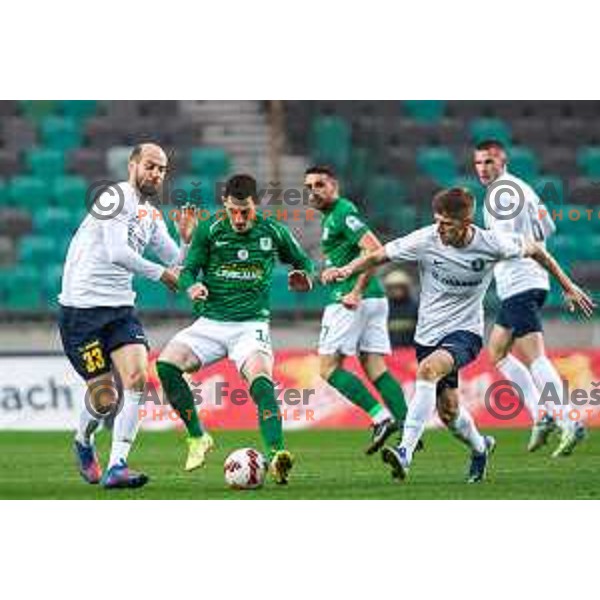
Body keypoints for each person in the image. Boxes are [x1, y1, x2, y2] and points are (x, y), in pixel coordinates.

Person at [324, 187, 594, 483]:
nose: (439, 229)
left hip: (465, 332)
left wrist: (568, 286)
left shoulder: (492, 243)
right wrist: (345, 269)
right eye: (437, 221)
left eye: (447, 224)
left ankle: (404, 453)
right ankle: (481, 448)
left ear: (466, 223)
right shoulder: (426, 238)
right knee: (449, 413)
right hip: (427, 335)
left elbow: (537, 250)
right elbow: (378, 256)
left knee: (427, 372)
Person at [156, 174, 313, 484]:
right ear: (225, 204)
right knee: (166, 366)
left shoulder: (274, 231)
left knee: (261, 382)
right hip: (211, 323)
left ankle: (277, 454)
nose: (239, 219)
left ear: (256, 204)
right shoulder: (210, 230)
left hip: (250, 326)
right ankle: (198, 437)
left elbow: (304, 261)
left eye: (246, 211)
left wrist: (304, 276)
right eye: (233, 211)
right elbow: (187, 272)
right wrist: (192, 286)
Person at [58, 143, 190, 489]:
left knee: (136, 380)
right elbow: (118, 253)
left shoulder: (151, 216)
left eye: (162, 169)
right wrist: (162, 275)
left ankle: (118, 465)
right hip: (81, 311)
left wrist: (188, 242)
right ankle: (83, 440)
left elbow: (178, 261)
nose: (156, 173)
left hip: (119, 309)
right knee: (104, 399)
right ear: (133, 165)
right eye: (150, 165)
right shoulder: (114, 198)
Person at [475, 139, 586, 456]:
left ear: (503, 161)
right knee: (496, 352)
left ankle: (569, 419)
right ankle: (542, 414)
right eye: (479, 163)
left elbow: (503, 244)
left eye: (489, 162)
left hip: (520, 280)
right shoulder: (524, 189)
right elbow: (546, 229)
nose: (483, 169)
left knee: (536, 357)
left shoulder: (500, 196)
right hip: (527, 281)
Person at [304, 165, 409, 455]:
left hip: (351, 300)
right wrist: (329, 272)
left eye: (319, 185)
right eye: (309, 186)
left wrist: (355, 291)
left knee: (327, 369)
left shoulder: (342, 212)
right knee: (375, 368)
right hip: (374, 299)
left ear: (334, 185)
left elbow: (374, 249)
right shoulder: (331, 217)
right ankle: (409, 431)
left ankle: (380, 417)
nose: (313, 191)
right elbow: (350, 255)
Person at [383, 269, 418, 348]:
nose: (396, 291)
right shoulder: (384, 308)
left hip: (411, 352)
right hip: (389, 352)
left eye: (399, 287)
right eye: (393, 287)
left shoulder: (415, 308)